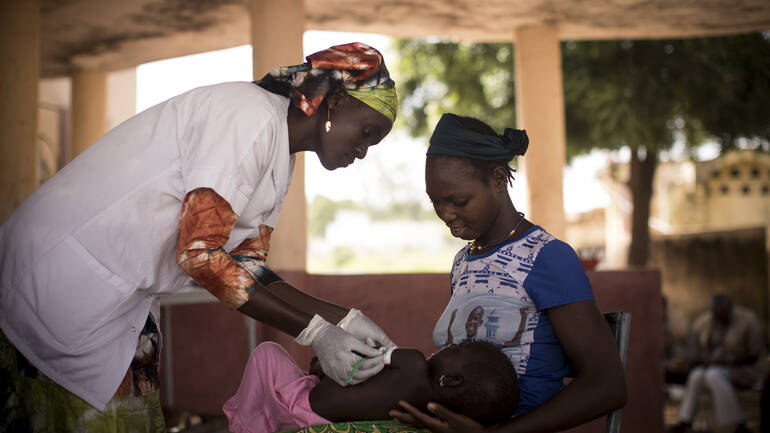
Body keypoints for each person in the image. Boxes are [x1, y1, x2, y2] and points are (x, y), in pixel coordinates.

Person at [0, 42, 398, 431]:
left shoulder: (279, 153)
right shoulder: (249, 116)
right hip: (64, 272)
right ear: (336, 102)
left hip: (112, 289)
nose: (362, 151)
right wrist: (316, 333)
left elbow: (246, 266)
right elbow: (199, 254)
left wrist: (342, 319)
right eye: (366, 131)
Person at [390, 114, 627, 432]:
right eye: (436, 203)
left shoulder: (545, 257)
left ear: (499, 178)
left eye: (458, 201)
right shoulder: (464, 262)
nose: (446, 215)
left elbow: (608, 386)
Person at [223, 340, 519, 433]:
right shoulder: (421, 418)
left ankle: (246, 423)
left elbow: (364, 353)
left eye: (455, 348)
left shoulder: (413, 363)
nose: (445, 346)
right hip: (316, 419)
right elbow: (360, 392)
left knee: (268, 353)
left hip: (302, 400)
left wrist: (328, 363)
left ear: (451, 380)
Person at [667, 294, 764, 433]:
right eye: (716, 314)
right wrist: (687, 361)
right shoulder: (704, 322)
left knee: (713, 374)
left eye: (723, 313)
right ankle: (684, 421)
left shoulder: (748, 320)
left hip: (744, 371)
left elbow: (755, 355)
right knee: (696, 374)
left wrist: (728, 360)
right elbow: (695, 353)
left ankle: (738, 424)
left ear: (730, 308)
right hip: (712, 370)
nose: (719, 318)